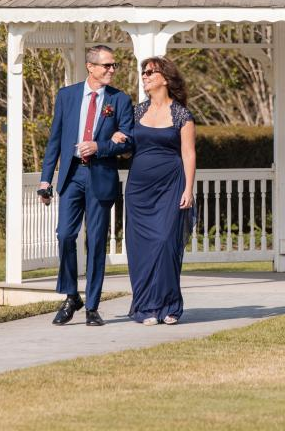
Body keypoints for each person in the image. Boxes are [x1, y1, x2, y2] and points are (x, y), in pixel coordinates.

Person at [39, 44, 134, 327]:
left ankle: (92, 305)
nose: (112, 70)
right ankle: (71, 296)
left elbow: (128, 141)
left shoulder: (120, 100)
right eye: (107, 65)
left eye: (113, 65)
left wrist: (100, 146)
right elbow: (54, 140)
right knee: (65, 236)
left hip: (101, 177)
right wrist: (46, 179)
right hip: (71, 176)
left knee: (95, 242)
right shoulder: (67, 96)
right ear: (91, 67)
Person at [113, 56, 196, 325]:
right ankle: (147, 307)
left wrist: (188, 188)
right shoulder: (137, 112)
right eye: (143, 72)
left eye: (150, 72)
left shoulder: (182, 114)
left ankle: (170, 305)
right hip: (139, 189)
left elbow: (188, 153)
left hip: (171, 186)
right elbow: (127, 149)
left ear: (165, 78)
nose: (145, 76)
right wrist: (118, 140)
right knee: (141, 248)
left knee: (164, 243)